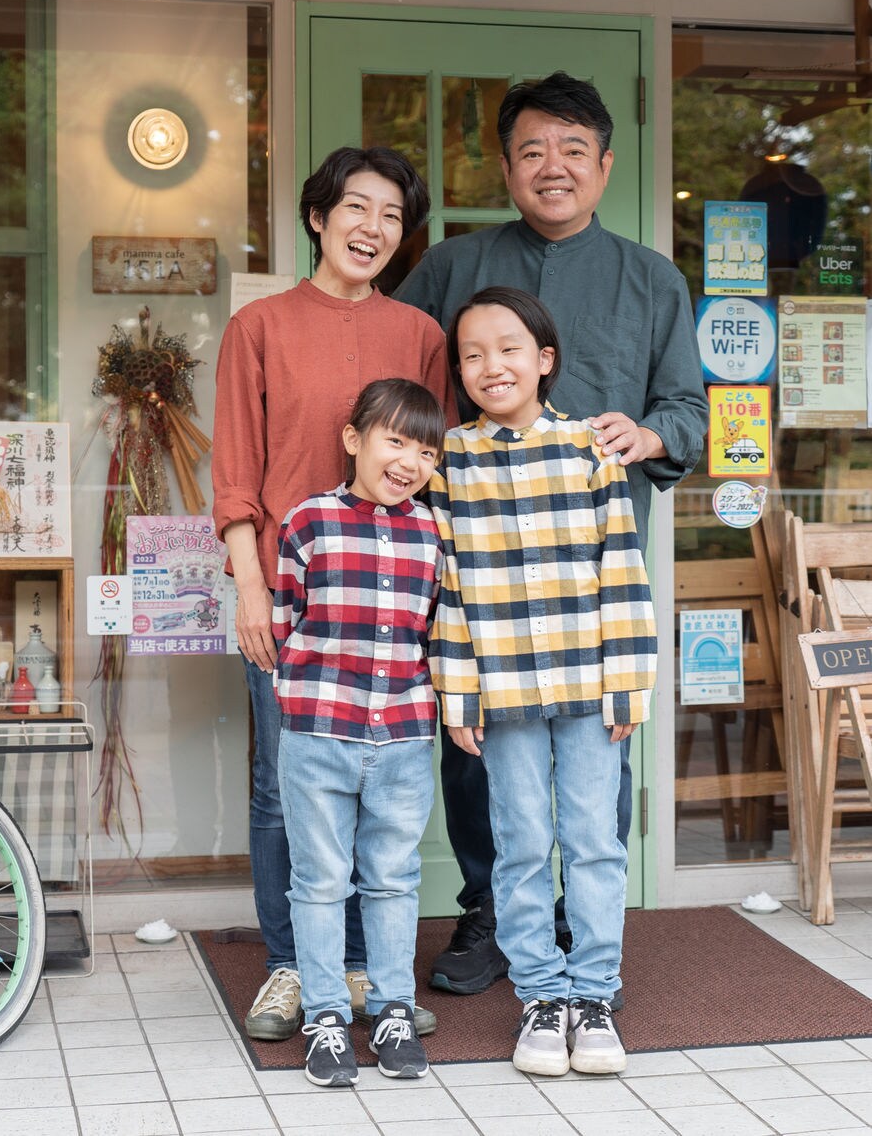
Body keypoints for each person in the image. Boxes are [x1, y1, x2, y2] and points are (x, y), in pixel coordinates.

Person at [394, 70, 706, 997]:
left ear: (606, 166)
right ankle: (488, 912)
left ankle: (584, 924)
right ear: (505, 165)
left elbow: (688, 408)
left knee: (596, 745)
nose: (553, 167)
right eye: (533, 150)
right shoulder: (452, 266)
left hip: (592, 572)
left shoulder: (652, 278)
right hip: (479, 566)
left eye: (574, 150)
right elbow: (395, 380)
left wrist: (651, 434)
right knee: (478, 743)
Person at [211, 145, 456, 1041]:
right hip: (286, 597)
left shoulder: (420, 336)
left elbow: (436, 463)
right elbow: (236, 471)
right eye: (357, 208)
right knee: (286, 789)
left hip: (390, 608)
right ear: (319, 217)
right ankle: (289, 968)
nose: (373, 229)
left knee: (383, 790)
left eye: (392, 216)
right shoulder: (261, 327)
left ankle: (365, 973)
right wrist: (249, 586)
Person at [429, 285, 657, 1076]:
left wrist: (628, 682)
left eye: (509, 348)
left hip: (592, 685)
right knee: (521, 845)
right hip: (504, 694)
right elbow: (448, 587)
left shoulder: (591, 450)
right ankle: (540, 995)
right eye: (473, 354)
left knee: (594, 842)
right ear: (458, 370)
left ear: (544, 360)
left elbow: (622, 572)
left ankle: (594, 992)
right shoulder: (450, 461)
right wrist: (457, 693)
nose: (492, 365)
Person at [275, 378, 445, 1087]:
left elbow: (435, 629)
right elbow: (287, 619)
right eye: (395, 440)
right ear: (355, 439)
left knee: (393, 880)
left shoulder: (436, 531)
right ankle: (324, 1018)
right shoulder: (308, 522)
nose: (408, 460)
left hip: (405, 734)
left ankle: (393, 1007)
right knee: (318, 883)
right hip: (318, 732)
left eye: (426, 450)